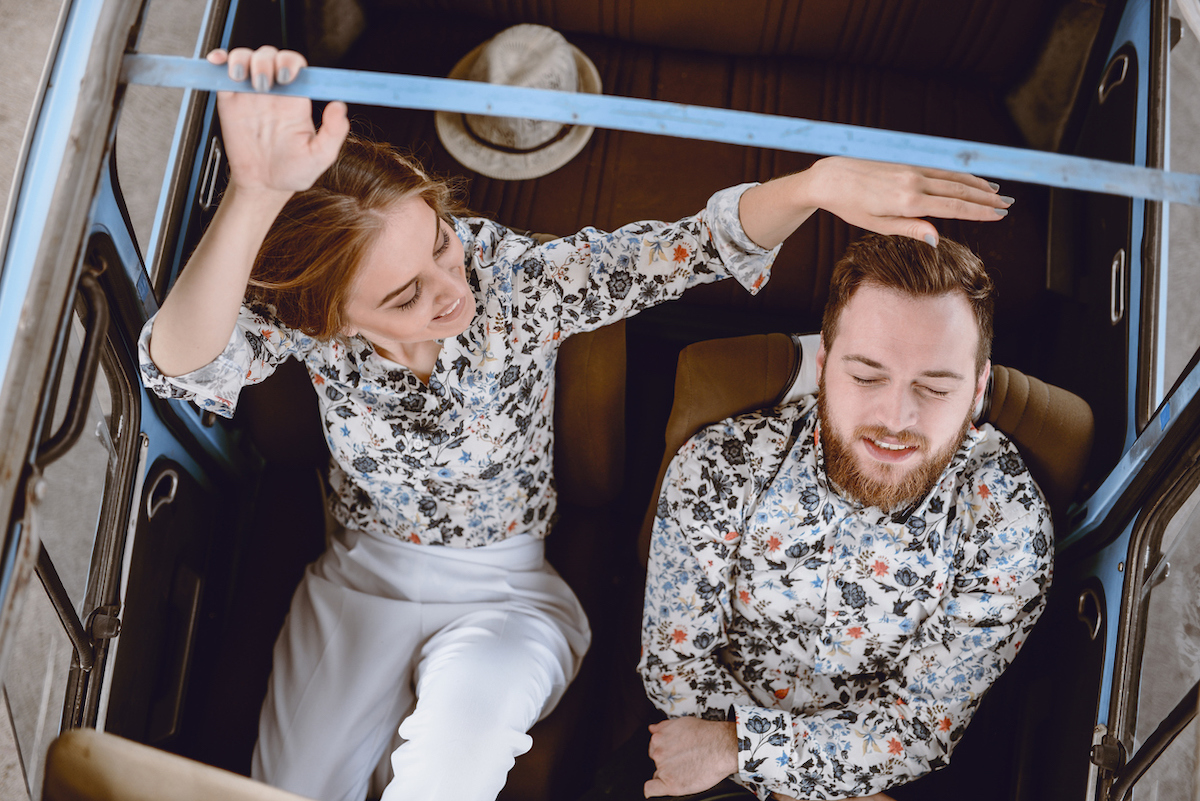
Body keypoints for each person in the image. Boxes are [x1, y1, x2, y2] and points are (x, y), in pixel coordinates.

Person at [137, 43, 1014, 801]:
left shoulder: (510, 284)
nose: (455, 291)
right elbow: (174, 364)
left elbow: (680, 252)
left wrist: (816, 183)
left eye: (443, 242)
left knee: (449, 772)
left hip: (508, 592)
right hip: (357, 580)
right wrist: (252, 196)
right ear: (327, 318)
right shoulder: (301, 325)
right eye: (407, 295)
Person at [635, 235, 1053, 800]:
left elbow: (920, 726)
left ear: (976, 389)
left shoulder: (1008, 528)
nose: (896, 418)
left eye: (934, 387)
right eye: (866, 377)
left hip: (858, 776)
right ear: (826, 364)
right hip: (709, 761)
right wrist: (758, 769)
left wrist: (743, 750)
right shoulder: (721, 465)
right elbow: (675, 665)